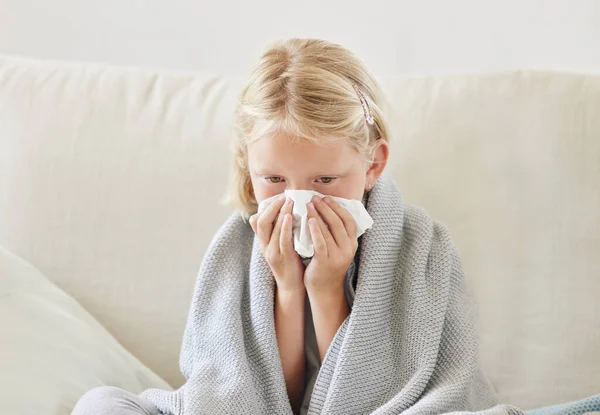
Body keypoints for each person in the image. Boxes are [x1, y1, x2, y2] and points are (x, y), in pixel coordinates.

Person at [73, 38, 521, 415]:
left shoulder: (422, 247)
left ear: (372, 165)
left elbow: (372, 399)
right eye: (274, 180)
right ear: (249, 168)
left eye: (325, 180)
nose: (299, 200)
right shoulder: (237, 246)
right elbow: (258, 401)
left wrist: (326, 288)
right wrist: (287, 285)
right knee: (100, 405)